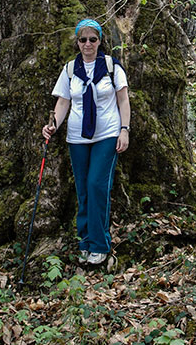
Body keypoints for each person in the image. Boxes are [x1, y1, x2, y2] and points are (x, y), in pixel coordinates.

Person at [42, 18, 130, 265]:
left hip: (107, 134)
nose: (88, 44)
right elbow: (63, 103)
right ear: (77, 42)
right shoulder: (70, 69)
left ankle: (100, 244)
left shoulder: (112, 67)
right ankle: (85, 240)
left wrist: (125, 130)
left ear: (100, 41)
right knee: (82, 188)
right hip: (77, 137)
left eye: (93, 39)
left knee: (96, 186)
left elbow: (123, 100)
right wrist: (53, 126)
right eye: (83, 39)